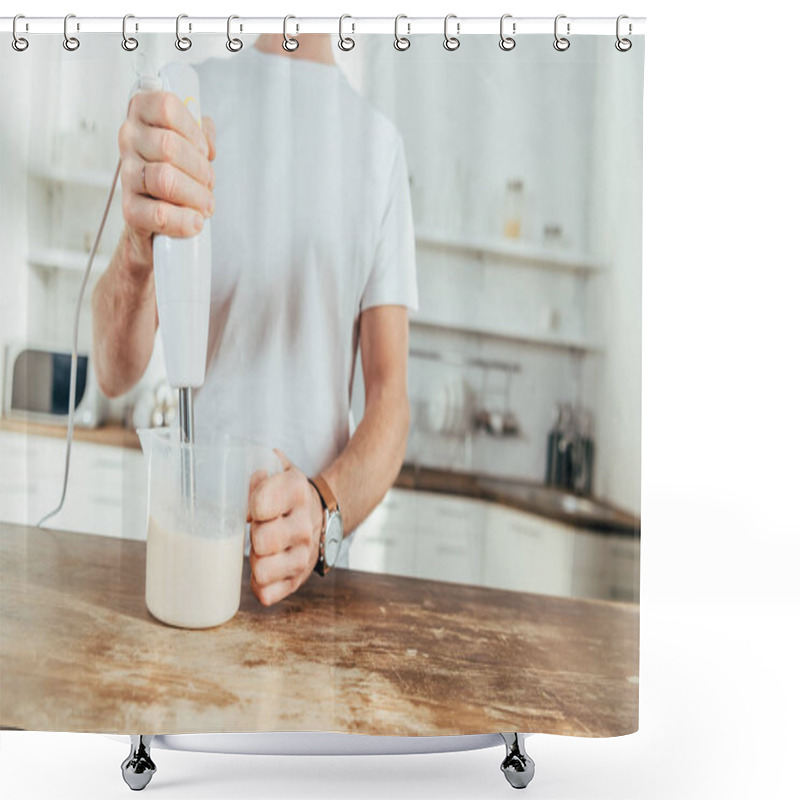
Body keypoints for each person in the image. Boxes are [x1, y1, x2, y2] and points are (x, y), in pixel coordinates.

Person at [91, 34, 417, 607]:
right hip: (188, 553)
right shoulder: (185, 108)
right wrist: (139, 244)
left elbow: (391, 398)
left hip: (312, 578)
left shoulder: (379, 148)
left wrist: (323, 506)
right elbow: (115, 373)